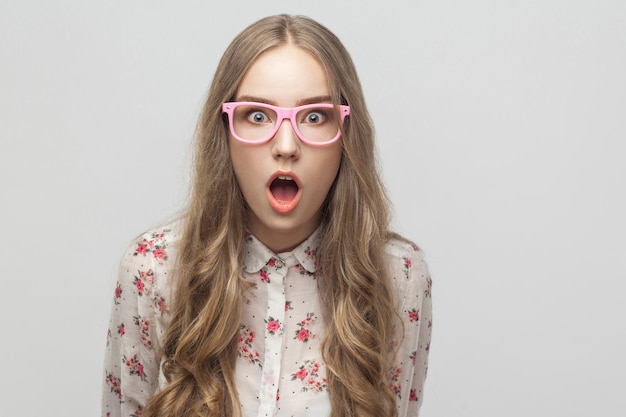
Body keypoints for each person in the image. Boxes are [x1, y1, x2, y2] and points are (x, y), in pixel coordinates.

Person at [102, 14, 432, 417]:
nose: (287, 145)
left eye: (314, 117)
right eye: (258, 116)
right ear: (224, 130)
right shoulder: (152, 270)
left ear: (347, 134)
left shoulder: (398, 274)